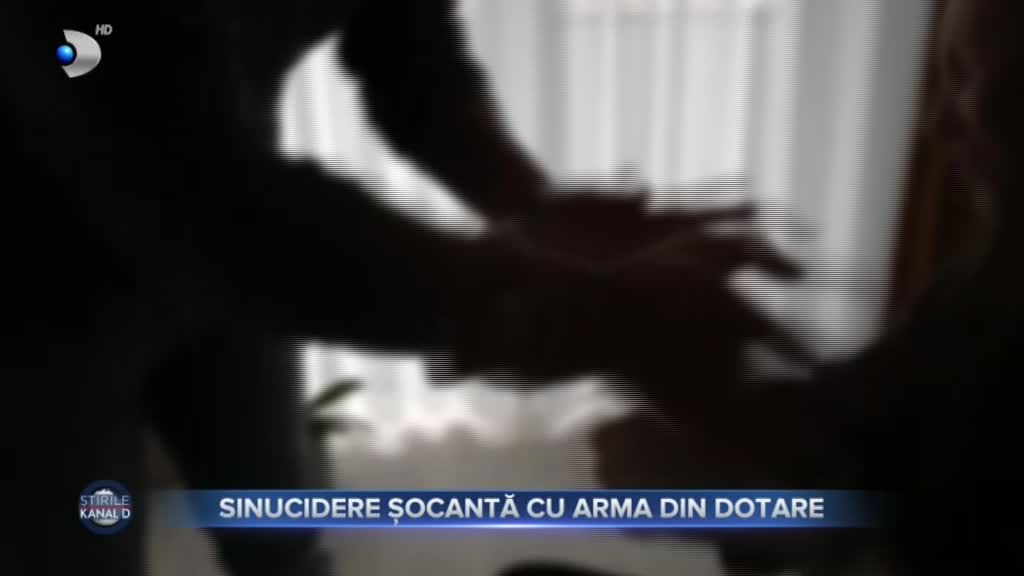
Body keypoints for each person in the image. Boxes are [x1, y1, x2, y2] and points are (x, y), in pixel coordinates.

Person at [7, 1, 800, 575]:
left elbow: (417, 69)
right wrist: (582, 313)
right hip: (37, 295)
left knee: (279, 526)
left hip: (225, 257)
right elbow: (211, 203)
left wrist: (534, 210)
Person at [587, 1, 1015, 574]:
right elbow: (862, 410)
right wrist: (698, 385)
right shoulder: (985, 273)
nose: (934, 122)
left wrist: (748, 506)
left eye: (966, 81)